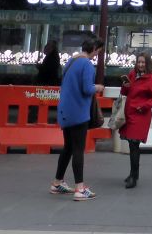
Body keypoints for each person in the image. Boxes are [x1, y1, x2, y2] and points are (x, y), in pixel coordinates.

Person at [50, 37, 105, 200]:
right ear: (94, 48)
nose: (97, 55)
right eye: (98, 52)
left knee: (67, 148)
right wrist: (98, 87)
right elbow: (87, 89)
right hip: (78, 111)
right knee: (78, 149)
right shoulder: (87, 64)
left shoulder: (70, 61)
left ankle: (57, 182)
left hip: (65, 110)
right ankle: (80, 189)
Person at [119, 52, 152, 188]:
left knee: (134, 145)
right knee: (132, 145)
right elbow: (125, 92)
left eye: (143, 62)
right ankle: (134, 174)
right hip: (130, 113)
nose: (140, 65)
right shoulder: (132, 74)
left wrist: (144, 106)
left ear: (148, 64)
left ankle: (133, 176)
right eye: (139, 62)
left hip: (140, 115)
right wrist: (125, 86)